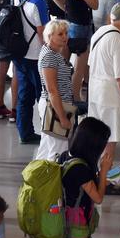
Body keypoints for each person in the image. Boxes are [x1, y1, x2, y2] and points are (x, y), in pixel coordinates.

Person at [86, 2, 120, 194]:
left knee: (98, 138)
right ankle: (105, 182)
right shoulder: (119, 41)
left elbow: (90, 64)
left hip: (96, 92)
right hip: (111, 97)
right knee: (110, 140)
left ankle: (97, 174)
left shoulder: (99, 33)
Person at [14, 0, 49, 145]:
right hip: (36, 55)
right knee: (43, 95)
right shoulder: (38, 2)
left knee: (24, 95)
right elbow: (43, 31)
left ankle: (25, 132)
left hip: (19, 53)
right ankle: (49, 132)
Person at [57, 0, 100, 101]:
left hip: (69, 26)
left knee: (63, 65)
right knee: (79, 68)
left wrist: (67, 10)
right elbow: (95, 5)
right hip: (81, 28)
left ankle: (61, 94)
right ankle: (74, 97)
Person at [36, 18, 76, 162]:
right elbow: (52, 90)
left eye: (66, 33)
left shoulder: (53, 53)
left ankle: (37, 181)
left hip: (56, 105)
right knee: (58, 151)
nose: (65, 37)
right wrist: (62, 117)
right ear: (50, 36)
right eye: (60, 34)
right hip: (54, 106)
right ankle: (54, 182)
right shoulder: (49, 56)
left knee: (46, 148)